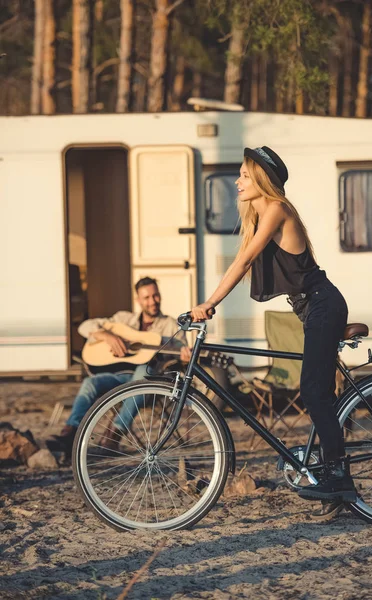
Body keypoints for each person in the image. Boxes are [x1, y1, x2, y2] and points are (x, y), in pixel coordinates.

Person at [190, 146, 356, 521]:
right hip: (313, 307)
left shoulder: (278, 210)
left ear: (263, 180)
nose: (238, 181)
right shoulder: (263, 215)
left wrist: (208, 303)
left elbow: (245, 260)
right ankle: (329, 472)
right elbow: (241, 259)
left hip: (323, 305)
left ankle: (339, 477)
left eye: (245, 175)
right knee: (314, 390)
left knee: (314, 391)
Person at [47, 277, 190, 456]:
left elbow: (181, 356)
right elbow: (84, 326)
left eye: (155, 296)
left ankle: (114, 436)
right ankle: (69, 435)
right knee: (90, 383)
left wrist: (184, 357)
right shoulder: (124, 319)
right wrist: (106, 336)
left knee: (141, 372)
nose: (152, 301)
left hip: (151, 384)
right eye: (146, 298)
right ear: (138, 300)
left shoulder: (170, 325)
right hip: (121, 377)